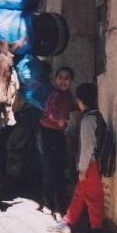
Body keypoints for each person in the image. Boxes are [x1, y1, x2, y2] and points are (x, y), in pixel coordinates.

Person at [48, 82, 104, 233]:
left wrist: (82, 169)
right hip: (94, 164)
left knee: (93, 199)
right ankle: (67, 222)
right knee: (80, 195)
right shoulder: (97, 115)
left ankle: (96, 231)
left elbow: (87, 148)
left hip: (90, 165)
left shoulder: (88, 120)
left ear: (81, 100)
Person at [37, 66, 74, 218]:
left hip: (58, 134)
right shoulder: (54, 95)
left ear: (71, 81)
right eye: (60, 78)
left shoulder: (68, 96)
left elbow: (70, 108)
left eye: (67, 78)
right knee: (50, 170)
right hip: (47, 133)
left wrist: (82, 107)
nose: (63, 81)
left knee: (58, 169)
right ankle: (48, 203)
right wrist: (57, 119)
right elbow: (49, 111)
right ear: (55, 80)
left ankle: (59, 205)